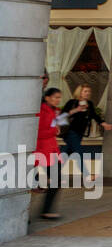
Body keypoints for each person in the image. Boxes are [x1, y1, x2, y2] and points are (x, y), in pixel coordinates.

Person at [62, 84, 112, 182]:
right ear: (80, 92)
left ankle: (42, 175)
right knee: (79, 153)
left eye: (89, 91)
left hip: (79, 133)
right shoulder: (72, 102)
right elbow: (63, 115)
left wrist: (104, 124)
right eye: (85, 91)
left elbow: (94, 115)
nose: (88, 93)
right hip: (70, 132)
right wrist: (76, 110)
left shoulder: (89, 104)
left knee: (63, 156)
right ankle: (87, 175)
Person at [34, 88, 64, 220]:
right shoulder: (42, 111)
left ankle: (46, 209)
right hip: (43, 150)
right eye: (55, 97)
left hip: (51, 150)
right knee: (55, 180)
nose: (58, 100)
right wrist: (54, 130)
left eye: (59, 97)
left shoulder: (53, 111)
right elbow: (37, 133)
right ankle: (45, 210)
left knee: (56, 181)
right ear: (47, 98)